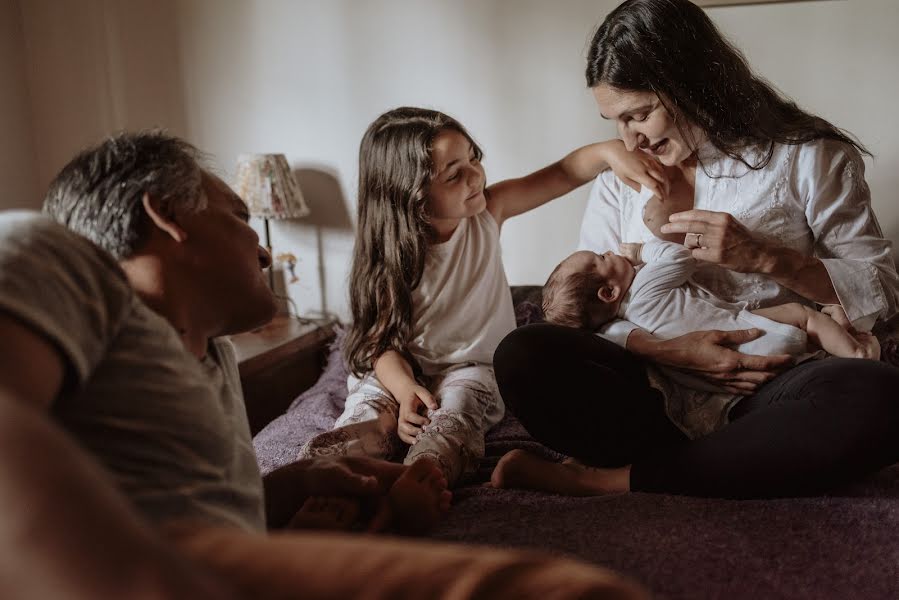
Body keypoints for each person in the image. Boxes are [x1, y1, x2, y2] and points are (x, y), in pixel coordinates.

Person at [0, 131, 648, 599]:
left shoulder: (211, 355)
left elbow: (188, 510)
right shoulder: (42, 255)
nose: (261, 248)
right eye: (239, 218)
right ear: (166, 218)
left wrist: (299, 486)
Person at [491, 0, 899, 500]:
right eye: (615, 120)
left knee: (879, 397)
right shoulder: (622, 178)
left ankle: (612, 480)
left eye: (640, 114)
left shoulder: (807, 157)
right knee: (523, 353)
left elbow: (879, 287)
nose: (628, 139)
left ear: (690, 83)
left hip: (763, 383)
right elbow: (592, 308)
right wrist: (662, 349)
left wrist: (768, 258)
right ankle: (718, 464)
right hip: (651, 390)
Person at [298, 106, 668, 488]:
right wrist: (405, 390)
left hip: (469, 368)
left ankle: (421, 478)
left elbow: (565, 172)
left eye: (473, 158)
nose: (476, 176)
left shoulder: (490, 211)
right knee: (370, 409)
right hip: (399, 370)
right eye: (455, 174)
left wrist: (609, 151)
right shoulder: (388, 254)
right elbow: (380, 345)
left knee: (453, 417)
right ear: (411, 195)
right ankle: (333, 471)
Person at [542, 239, 879, 405]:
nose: (610, 251)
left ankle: (829, 357)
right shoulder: (645, 288)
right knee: (804, 315)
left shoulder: (623, 328)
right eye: (602, 258)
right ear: (609, 292)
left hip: (735, 381)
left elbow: (613, 334)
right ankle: (858, 355)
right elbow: (680, 256)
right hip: (755, 333)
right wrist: (642, 251)